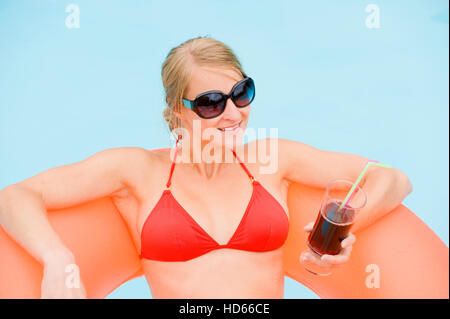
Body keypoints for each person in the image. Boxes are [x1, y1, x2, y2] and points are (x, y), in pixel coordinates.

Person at [0, 37, 412, 299]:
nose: (233, 114)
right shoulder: (136, 171)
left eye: (241, 93)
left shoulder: (273, 160)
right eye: (212, 103)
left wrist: (343, 230)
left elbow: (392, 178)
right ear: (177, 113)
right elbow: (15, 196)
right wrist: (58, 258)